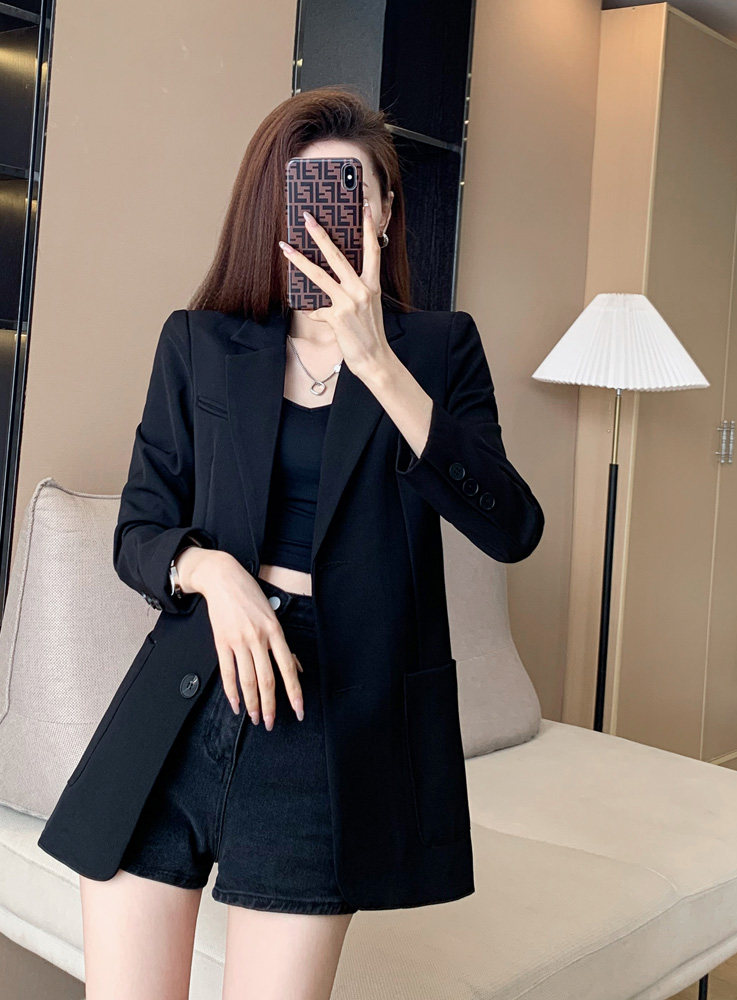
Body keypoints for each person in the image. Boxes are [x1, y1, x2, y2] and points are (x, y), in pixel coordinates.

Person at [42, 85, 544, 1000]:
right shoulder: (201, 342)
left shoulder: (439, 351)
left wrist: (376, 361)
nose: (327, 220)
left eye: (350, 195)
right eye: (305, 196)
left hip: (329, 718)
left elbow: (511, 525)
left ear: (384, 213)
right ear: (273, 212)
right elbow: (139, 529)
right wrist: (212, 572)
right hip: (185, 690)